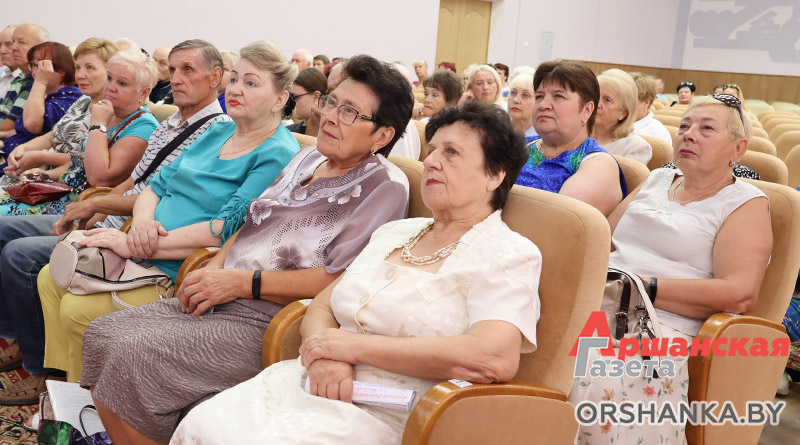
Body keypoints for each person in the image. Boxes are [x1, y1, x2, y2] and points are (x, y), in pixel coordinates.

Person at [78, 53, 413, 444]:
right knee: (102, 333)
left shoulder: (383, 187)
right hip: (225, 294)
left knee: (133, 354)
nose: (330, 117)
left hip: (271, 319)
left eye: (350, 112)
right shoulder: (308, 157)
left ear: (382, 135)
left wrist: (241, 282)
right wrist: (214, 267)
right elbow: (254, 220)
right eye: (331, 102)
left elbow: (338, 280)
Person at [170, 100, 538, 445]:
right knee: (203, 425)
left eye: (452, 153)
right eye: (433, 150)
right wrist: (328, 358)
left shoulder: (507, 254)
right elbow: (322, 306)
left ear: (494, 175)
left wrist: (351, 348)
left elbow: (491, 357)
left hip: (390, 411)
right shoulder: (396, 233)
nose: (431, 162)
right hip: (311, 383)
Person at [37, 40, 301, 383]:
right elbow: (155, 188)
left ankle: (87, 396)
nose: (236, 89)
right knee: (49, 278)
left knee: (78, 310)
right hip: (141, 246)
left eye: (251, 83)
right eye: (235, 79)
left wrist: (131, 243)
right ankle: (67, 386)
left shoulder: (278, 152)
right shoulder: (218, 130)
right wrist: (142, 224)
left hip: (180, 268)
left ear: (280, 99)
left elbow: (223, 229)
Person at [0, 39, 229, 404]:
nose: (176, 78)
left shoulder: (216, 131)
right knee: (11, 236)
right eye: (173, 69)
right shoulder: (171, 122)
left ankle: (46, 370)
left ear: (215, 77)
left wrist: (95, 204)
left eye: (188, 69)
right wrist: (94, 210)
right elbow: (133, 182)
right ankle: (28, 347)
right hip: (113, 215)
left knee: (22, 256)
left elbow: (155, 194)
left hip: (140, 232)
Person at [570, 93, 771, 444]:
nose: (688, 134)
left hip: (659, 323)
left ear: (738, 149)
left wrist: (641, 287)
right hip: (602, 299)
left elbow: (739, 294)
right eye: (684, 126)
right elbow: (604, 241)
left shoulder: (745, 203)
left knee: (580, 367)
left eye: (706, 129)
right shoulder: (657, 179)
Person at [0, 49, 159, 216]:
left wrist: (98, 125)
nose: (111, 87)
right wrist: (45, 175)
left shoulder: (143, 127)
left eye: (122, 83)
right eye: (109, 78)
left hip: (80, 209)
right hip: (60, 194)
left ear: (144, 92)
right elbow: (80, 164)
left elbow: (99, 178)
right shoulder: (109, 113)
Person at [514, 60, 625, 217]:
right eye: (539, 96)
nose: (543, 104)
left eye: (558, 96)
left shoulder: (598, 165)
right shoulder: (521, 145)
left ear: (587, 110)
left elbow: (553, 221)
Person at [2, 38, 115, 184]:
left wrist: (38, 157)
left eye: (90, 68)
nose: (80, 75)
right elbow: (52, 137)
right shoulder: (83, 101)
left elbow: (85, 159)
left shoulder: (109, 110)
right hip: (37, 175)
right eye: (78, 68)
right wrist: (22, 149)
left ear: (110, 73)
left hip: (60, 182)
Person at [0, 42, 82, 166]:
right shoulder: (46, 95)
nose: (35, 71)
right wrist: (2, 135)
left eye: (42, 65)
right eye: (32, 65)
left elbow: (32, 125)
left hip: (25, 166)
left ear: (62, 69)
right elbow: (23, 129)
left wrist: (40, 81)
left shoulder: (70, 97)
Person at [592, 69, 652, 164]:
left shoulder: (635, 147)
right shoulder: (575, 133)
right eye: (595, 96)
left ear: (623, 113)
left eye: (607, 100)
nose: (597, 104)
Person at [0, 24, 49, 132]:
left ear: (42, 48)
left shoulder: (38, 80)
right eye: (13, 42)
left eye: (21, 43)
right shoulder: (20, 78)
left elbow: (14, 125)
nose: (13, 48)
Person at [630, 71, 671, 144]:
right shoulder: (615, 122)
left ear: (646, 102)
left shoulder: (655, 135)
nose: (622, 105)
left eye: (630, 100)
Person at [286, 67, 326, 136]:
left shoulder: (329, 135)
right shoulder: (288, 131)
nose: (292, 102)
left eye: (295, 97)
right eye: (290, 97)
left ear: (316, 96)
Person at [507, 72, 537, 142]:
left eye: (525, 95)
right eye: (513, 93)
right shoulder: (497, 130)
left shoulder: (543, 137)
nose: (515, 100)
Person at [0, 26, 18, 98]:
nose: (2, 51)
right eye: (0, 45)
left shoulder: (30, 80)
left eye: (9, 44)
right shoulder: (3, 76)